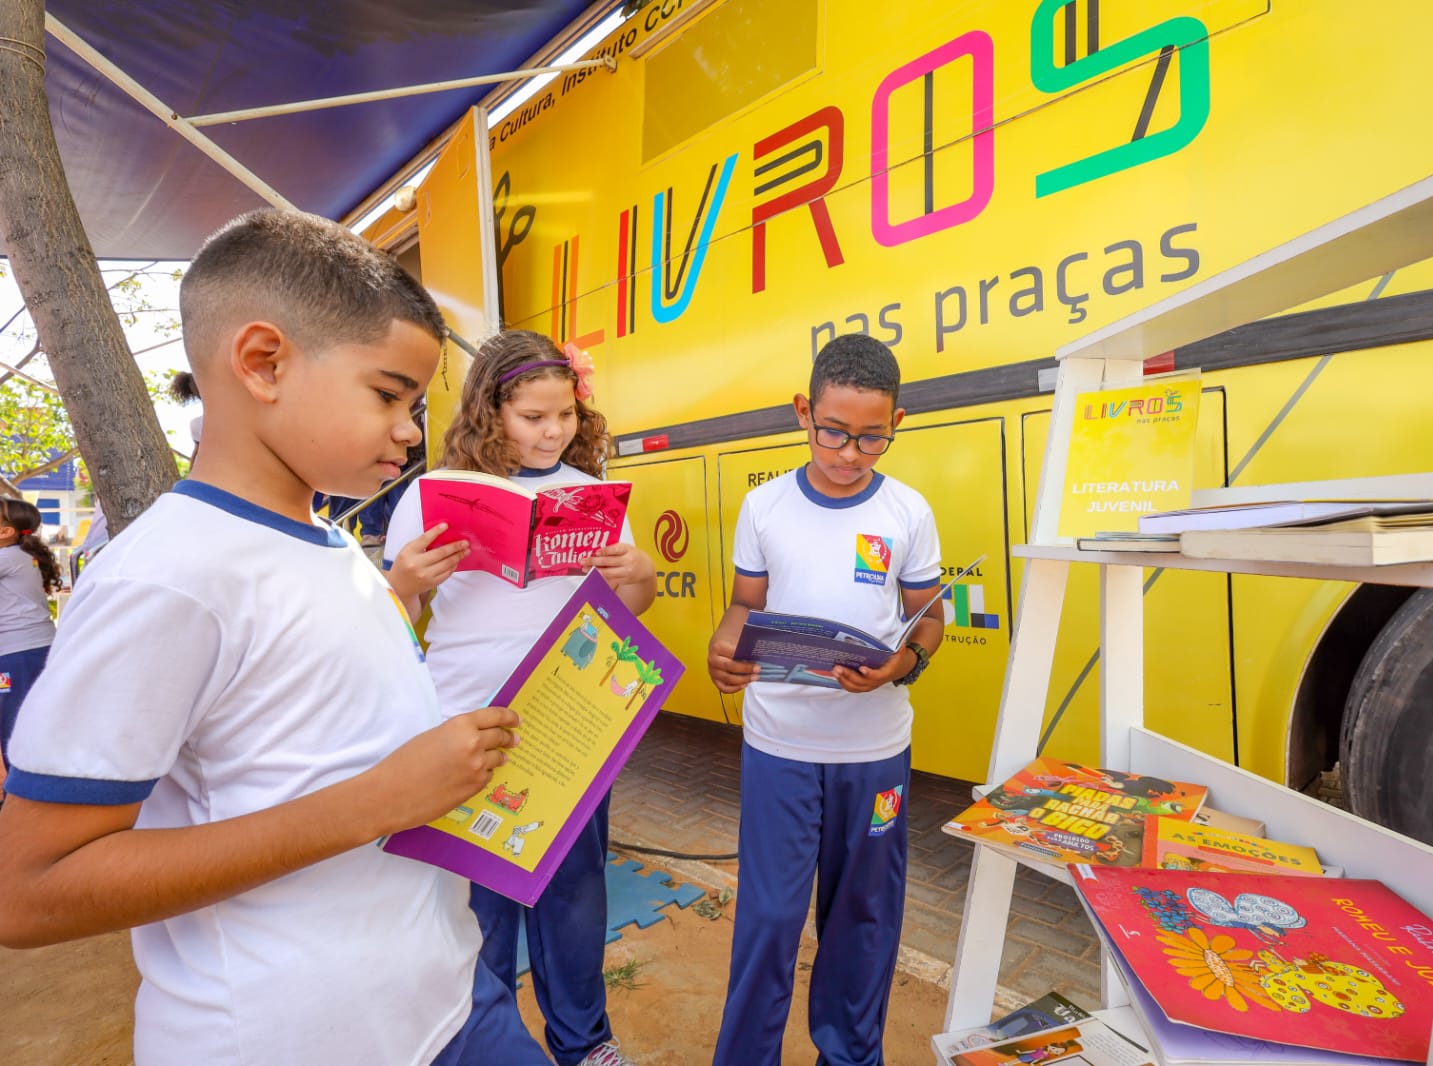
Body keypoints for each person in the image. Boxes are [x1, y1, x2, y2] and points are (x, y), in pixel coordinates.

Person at [0, 208, 553, 1066]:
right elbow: (28, 892)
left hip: (445, 999)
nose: (410, 430)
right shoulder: (168, 578)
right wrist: (379, 802)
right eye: (388, 394)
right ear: (263, 363)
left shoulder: (333, 541)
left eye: (415, 401)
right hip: (290, 1033)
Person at [384, 329, 656, 1066]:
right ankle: (483, 1037)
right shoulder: (431, 495)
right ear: (490, 411)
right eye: (533, 417)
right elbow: (391, 623)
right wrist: (405, 584)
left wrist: (637, 571)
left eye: (564, 415)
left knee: (573, 892)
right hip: (463, 720)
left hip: (572, 720)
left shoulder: (594, 495)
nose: (552, 431)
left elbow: (632, 609)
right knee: (477, 901)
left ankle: (584, 1041)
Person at [706, 333, 945, 1066]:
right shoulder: (764, 506)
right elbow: (746, 604)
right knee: (771, 918)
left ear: (896, 424)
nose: (849, 453)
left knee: (863, 917)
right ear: (804, 412)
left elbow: (929, 618)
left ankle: (849, 1054)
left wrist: (903, 661)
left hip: (874, 754)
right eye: (834, 432)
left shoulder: (908, 511)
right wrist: (724, 647)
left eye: (872, 439)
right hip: (779, 746)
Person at [0, 497, 62, 788]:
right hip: (32, 649)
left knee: (13, 723)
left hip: (18, 653)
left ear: (6, 532)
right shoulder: (20, 557)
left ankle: (23, 796)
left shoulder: (9, 557)